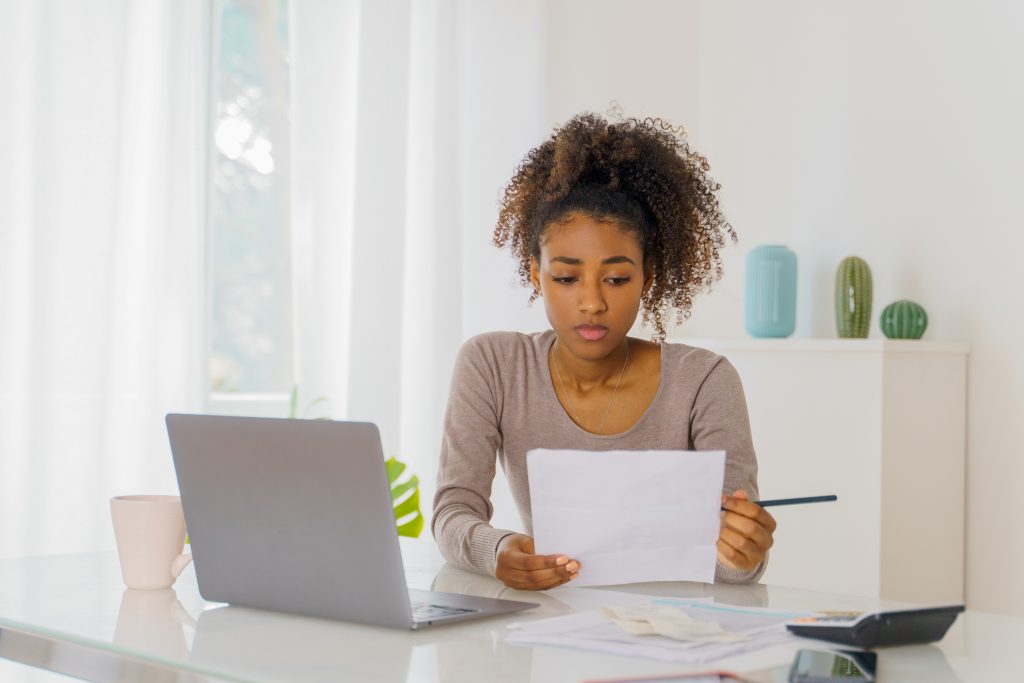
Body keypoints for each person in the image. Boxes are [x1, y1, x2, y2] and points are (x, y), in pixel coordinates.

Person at [432, 113, 776, 591]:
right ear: (535, 273)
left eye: (616, 279)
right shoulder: (493, 365)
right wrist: (499, 551)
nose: (592, 302)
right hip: (551, 631)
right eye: (566, 278)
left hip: (670, 639)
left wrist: (744, 551)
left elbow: (731, 565)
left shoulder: (704, 381)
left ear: (647, 277)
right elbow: (453, 513)